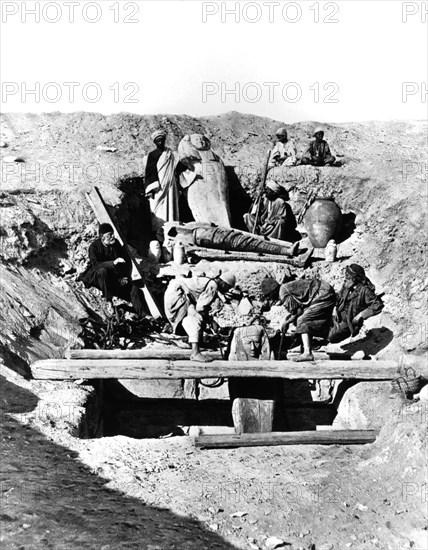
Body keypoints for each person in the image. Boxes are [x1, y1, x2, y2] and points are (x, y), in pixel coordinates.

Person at [164, 272, 236, 362]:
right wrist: (212, 322)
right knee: (194, 319)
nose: (227, 290)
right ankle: (195, 353)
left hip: (176, 292)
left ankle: (199, 343)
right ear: (224, 283)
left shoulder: (211, 283)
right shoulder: (213, 286)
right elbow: (200, 309)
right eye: (228, 287)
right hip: (177, 295)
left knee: (197, 316)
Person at [80, 223, 148, 317]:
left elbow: (127, 262)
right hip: (98, 279)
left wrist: (125, 277)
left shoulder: (116, 244)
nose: (112, 237)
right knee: (103, 271)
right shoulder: (94, 247)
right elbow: (95, 265)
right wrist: (113, 263)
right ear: (102, 237)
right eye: (109, 235)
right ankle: (109, 301)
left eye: (112, 234)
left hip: (114, 280)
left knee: (135, 289)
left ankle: (144, 315)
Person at [261, 276, 336, 361]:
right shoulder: (285, 288)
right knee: (302, 319)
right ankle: (305, 347)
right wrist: (289, 319)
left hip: (322, 294)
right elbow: (298, 310)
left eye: (268, 295)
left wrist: (286, 322)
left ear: (272, 291)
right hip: (324, 290)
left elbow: (298, 312)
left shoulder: (283, 293)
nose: (269, 298)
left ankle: (308, 353)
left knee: (302, 320)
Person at [144, 130, 188, 242]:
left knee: (172, 210)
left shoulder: (171, 154)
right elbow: (150, 171)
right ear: (155, 142)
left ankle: (172, 237)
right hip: (158, 188)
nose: (160, 142)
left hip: (171, 186)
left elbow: (177, 169)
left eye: (162, 140)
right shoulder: (152, 155)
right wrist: (151, 189)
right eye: (158, 140)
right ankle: (159, 238)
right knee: (158, 212)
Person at [328, 264, 384, 343]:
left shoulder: (365, 290)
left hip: (349, 321)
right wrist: (334, 308)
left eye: (347, 278)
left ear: (354, 279)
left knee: (330, 337)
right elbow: (339, 297)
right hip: (337, 315)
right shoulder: (347, 285)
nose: (345, 279)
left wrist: (361, 315)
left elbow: (378, 305)